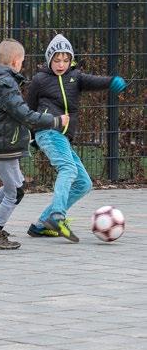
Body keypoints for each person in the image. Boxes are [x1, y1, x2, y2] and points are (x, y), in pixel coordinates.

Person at [0, 39, 69, 250]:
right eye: (22, 61)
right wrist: (55, 120)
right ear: (15, 61)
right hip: (2, 146)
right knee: (16, 192)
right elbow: (24, 114)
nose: (22, 65)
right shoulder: (5, 83)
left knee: (14, 183)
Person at [26, 34, 127, 242]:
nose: (61, 64)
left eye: (65, 60)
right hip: (48, 131)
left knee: (83, 183)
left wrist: (111, 82)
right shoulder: (40, 79)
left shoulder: (76, 77)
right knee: (68, 169)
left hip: (63, 138)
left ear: (71, 60)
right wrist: (33, 134)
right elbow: (29, 108)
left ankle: (42, 225)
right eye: (56, 60)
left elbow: (95, 81)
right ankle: (57, 216)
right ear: (49, 59)